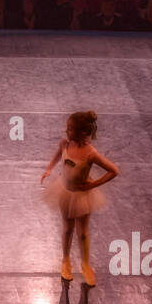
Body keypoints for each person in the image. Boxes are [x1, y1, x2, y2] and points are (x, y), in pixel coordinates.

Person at [39, 111, 118, 285]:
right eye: (67, 129)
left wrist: (93, 185)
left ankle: (85, 264)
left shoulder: (90, 153)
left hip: (82, 196)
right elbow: (58, 154)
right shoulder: (65, 144)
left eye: (70, 130)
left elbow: (114, 170)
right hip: (65, 192)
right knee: (67, 229)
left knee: (82, 232)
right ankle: (65, 260)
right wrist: (49, 169)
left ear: (82, 132)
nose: (67, 132)